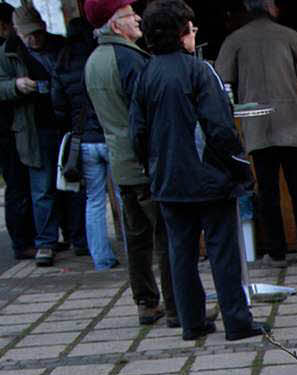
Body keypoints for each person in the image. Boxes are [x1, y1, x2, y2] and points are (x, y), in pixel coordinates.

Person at [130, 0, 265, 342]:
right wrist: (239, 167)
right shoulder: (199, 71)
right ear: (181, 33)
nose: (194, 33)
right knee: (223, 251)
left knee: (181, 252)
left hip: (169, 179)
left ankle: (192, 321)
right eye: (190, 28)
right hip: (208, 178)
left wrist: (153, 167)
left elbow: (137, 132)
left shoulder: (145, 74)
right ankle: (237, 320)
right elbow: (219, 128)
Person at [85, 0, 184, 326]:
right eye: (129, 15)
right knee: (166, 237)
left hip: (121, 162)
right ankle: (177, 306)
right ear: (116, 26)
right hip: (143, 162)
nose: (138, 19)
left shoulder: (95, 60)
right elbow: (145, 114)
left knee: (137, 238)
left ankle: (146, 302)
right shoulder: (129, 59)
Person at [216, 0, 297, 267]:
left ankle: (276, 252)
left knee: (267, 191)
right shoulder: (288, 35)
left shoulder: (235, 40)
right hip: (291, 122)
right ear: (271, 8)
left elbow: (220, 76)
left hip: (256, 123)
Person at [0, 3, 79, 268]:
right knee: (41, 188)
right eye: (28, 35)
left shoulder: (59, 45)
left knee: (71, 184)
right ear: (18, 34)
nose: (34, 38)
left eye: (37, 32)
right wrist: (15, 85)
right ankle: (45, 241)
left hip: (63, 124)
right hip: (34, 129)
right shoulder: (8, 53)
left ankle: (76, 236)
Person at [52, 17, 117, 271]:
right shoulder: (99, 60)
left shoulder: (63, 64)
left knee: (94, 200)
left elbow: (58, 105)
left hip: (84, 140)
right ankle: (139, 251)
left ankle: (101, 258)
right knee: (126, 198)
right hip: (109, 134)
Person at [0, 2, 34, 260]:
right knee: (17, 185)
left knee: (21, 184)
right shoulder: (5, 49)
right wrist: (15, 86)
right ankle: (22, 242)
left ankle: (27, 238)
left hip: (16, 126)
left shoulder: (12, 47)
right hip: (7, 129)